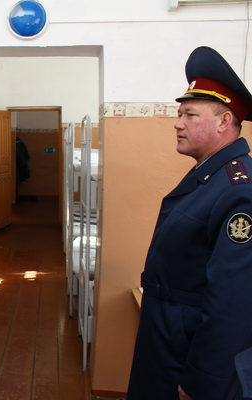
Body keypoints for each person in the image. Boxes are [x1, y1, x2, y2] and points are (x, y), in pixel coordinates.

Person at [127, 46, 252, 400]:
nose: (178, 123)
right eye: (179, 114)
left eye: (190, 115)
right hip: (168, 337)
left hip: (186, 354)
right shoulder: (209, 175)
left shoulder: (239, 191)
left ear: (224, 122)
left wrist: (204, 379)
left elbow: (234, 301)